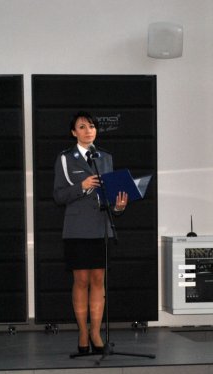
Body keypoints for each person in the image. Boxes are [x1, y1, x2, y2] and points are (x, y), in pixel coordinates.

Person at [53, 111, 128, 354]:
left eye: (92, 126)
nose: (89, 131)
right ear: (74, 132)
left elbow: (110, 194)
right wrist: (82, 186)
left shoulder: (105, 157)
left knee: (98, 280)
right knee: (81, 280)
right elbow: (59, 196)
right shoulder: (65, 158)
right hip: (76, 228)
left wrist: (118, 206)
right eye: (83, 127)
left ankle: (96, 332)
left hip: (100, 226)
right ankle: (83, 333)